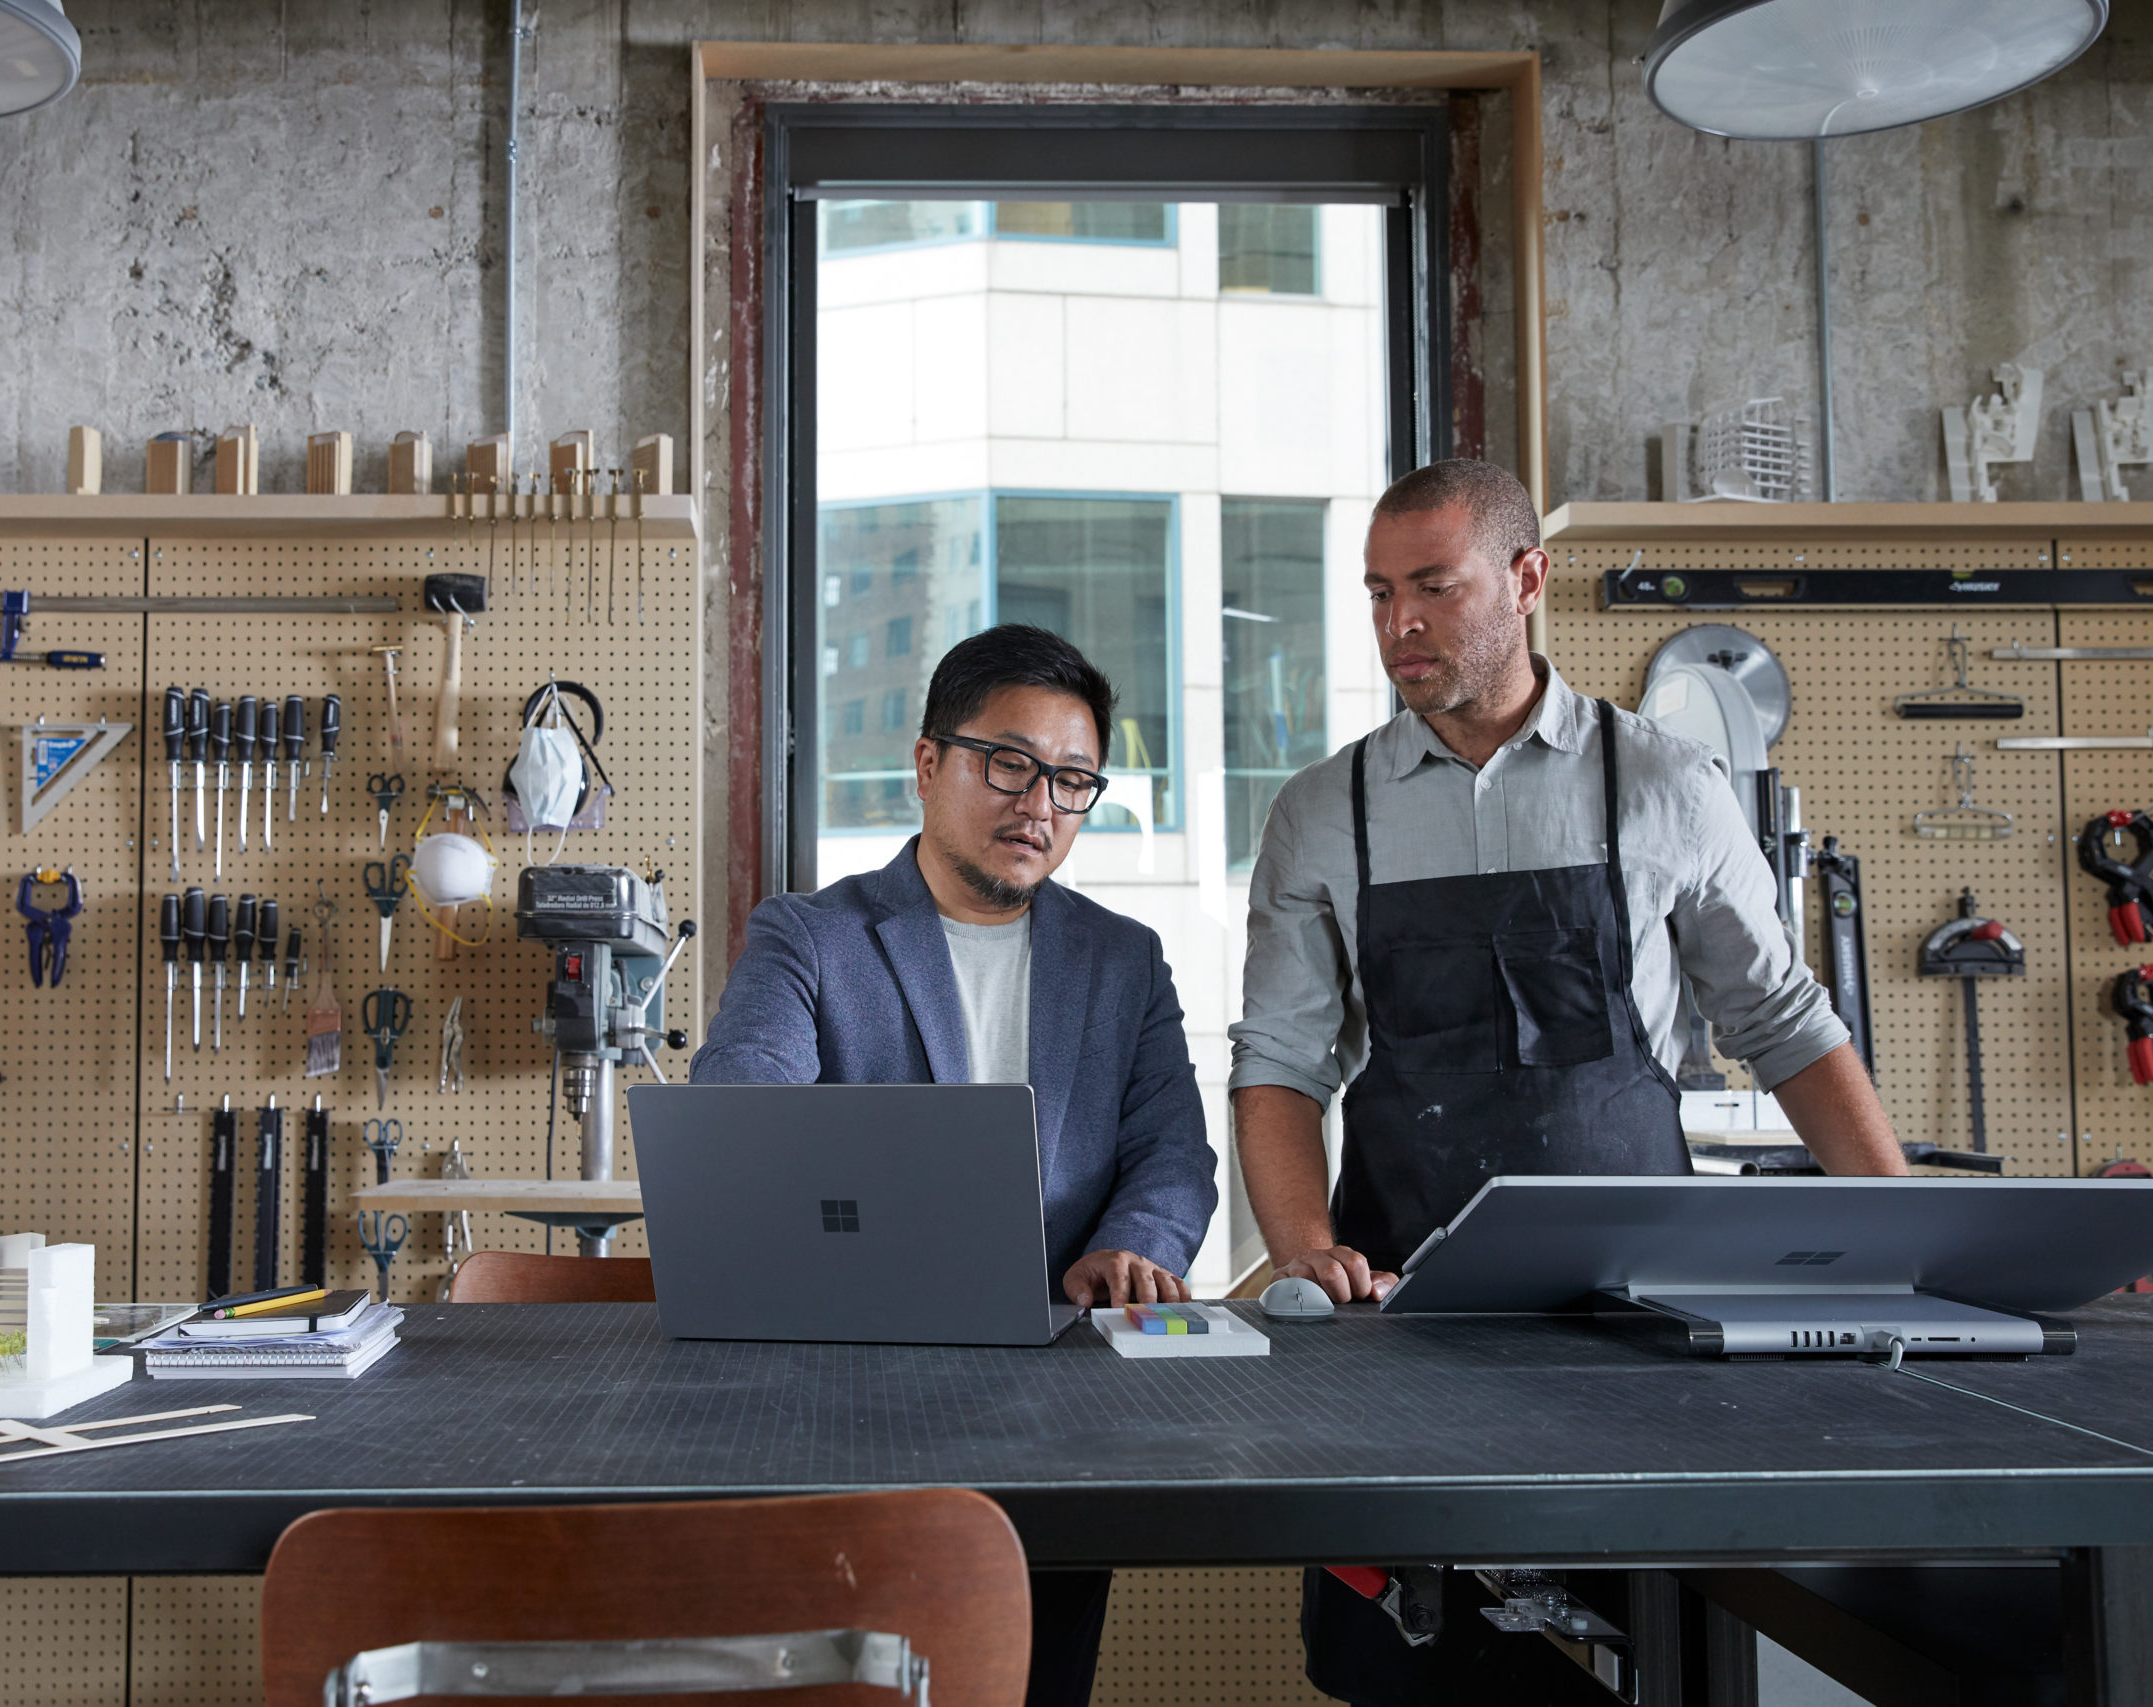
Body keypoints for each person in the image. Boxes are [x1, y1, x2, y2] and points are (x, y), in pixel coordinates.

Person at [1227, 458, 1908, 1705]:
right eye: (1379, 594)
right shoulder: (1323, 814)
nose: (1400, 625)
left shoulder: (1662, 783)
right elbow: (1276, 1062)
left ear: (1528, 580)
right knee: (1407, 1670)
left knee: (1654, 1655)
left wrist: (1913, 1251)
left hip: (1638, 1334)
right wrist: (1302, 1248)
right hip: (1402, 1325)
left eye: (1433, 587)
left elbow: (1784, 1023)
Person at [693, 622, 1219, 1707]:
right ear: (928, 763)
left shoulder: (1124, 959)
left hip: (1064, 1408)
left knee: (1038, 1683)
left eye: (1072, 781)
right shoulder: (809, 937)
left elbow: (1173, 1149)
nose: (1039, 805)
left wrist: (1134, 1241)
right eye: (1009, 763)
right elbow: (742, 1123)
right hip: (846, 1400)